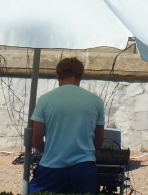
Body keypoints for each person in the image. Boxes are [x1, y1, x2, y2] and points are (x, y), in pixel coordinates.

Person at [29, 57, 104, 195]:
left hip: (52, 166)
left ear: (57, 75)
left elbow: (37, 140)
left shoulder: (45, 100)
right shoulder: (96, 102)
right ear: (81, 75)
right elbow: (99, 141)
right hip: (84, 167)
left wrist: (49, 152)